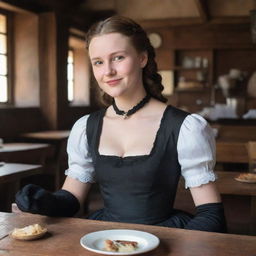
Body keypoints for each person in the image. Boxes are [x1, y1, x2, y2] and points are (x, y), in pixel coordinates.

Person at [15, 15, 226, 233]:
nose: (107, 71)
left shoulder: (185, 127)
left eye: (118, 58)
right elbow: (71, 199)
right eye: (98, 62)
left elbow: (210, 214)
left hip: (163, 235)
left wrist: (182, 245)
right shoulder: (86, 127)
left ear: (142, 58)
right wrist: (45, 202)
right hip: (106, 238)